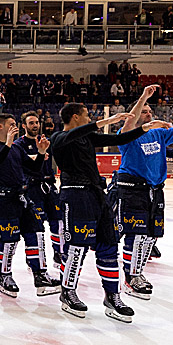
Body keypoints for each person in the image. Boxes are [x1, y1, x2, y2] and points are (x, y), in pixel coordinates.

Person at [47, 103, 149, 322]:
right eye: (86, 115)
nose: (89, 118)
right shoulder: (58, 138)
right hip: (75, 196)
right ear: (75, 117)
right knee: (77, 246)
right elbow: (75, 134)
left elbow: (118, 140)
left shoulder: (87, 138)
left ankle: (112, 296)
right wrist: (106, 122)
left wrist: (144, 129)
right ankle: (68, 291)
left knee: (109, 244)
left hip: (97, 195)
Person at [108, 84, 173, 301]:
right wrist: (143, 97)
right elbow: (131, 121)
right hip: (132, 189)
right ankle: (131, 277)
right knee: (136, 234)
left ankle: (137, 272)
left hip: (155, 189)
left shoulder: (159, 134)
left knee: (150, 236)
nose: (148, 114)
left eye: (150, 111)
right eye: (144, 111)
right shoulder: (127, 135)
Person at [0, 114, 53, 298]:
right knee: (8, 240)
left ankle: (40, 275)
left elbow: (34, 168)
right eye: (11, 125)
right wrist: (8, 144)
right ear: (0, 127)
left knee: (36, 232)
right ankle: (4, 276)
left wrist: (42, 152)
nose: (16, 127)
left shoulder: (17, 148)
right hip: (0, 200)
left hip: (21, 197)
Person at [15, 111, 63, 296]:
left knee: (58, 222)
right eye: (31, 123)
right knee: (36, 229)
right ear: (24, 126)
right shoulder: (19, 145)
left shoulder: (46, 142)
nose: (35, 125)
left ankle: (59, 254)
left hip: (49, 187)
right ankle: (36, 264)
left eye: (37, 122)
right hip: (32, 189)